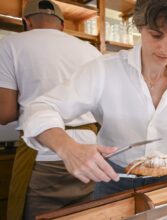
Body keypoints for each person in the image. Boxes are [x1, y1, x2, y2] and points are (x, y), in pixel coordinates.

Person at [21, 0, 167, 200]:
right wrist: (68, 148)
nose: (166, 49)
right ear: (140, 26)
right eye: (156, 35)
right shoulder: (105, 69)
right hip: (114, 180)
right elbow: (39, 108)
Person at [0, 0, 102, 219]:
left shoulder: (10, 44)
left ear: (26, 22)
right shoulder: (90, 50)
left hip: (44, 152)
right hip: (90, 152)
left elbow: (5, 113)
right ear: (63, 25)